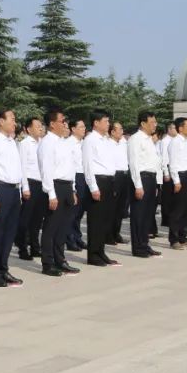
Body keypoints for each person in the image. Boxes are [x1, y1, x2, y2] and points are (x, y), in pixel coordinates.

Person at [0, 108, 24, 287]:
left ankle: (4, 268)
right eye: (12, 119)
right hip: (0, 190)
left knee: (9, 233)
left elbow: (17, 169)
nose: (14, 122)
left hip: (14, 191)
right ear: (1, 121)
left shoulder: (12, 142)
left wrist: (20, 191)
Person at [38, 109, 79, 276]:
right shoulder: (47, 142)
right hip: (54, 186)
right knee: (51, 227)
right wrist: (51, 194)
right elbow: (46, 170)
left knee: (63, 227)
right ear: (52, 124)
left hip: (67, 186)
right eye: (62, 121)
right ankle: (47, 263)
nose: (65, 124)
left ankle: (60, 260)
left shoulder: (64, 142)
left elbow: (70, 167)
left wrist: (73, 189)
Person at [82, 110, 119, 265]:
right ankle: (93, 255)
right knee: (96, 220)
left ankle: (101, 251)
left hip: (109, 181)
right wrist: (93, 187)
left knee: (105, 220)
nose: (108, 124)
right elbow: (88, 165)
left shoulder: (106, 140)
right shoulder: (90, 140)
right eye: (105, 121)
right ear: (96, 123)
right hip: (98, 182)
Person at [127, 110, 162, 258]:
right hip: (141, 178)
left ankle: (145, 244)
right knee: (139, 215)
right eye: (152, 122)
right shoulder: (135, 139)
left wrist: (157, 183)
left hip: (151, 178)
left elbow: (154, 162)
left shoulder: (149, 140)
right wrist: (138, 185)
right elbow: (134, 163)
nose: (155, 125)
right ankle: (138, 247)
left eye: (155, 122)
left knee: (148, 214)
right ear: (143, 123)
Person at [15, 117, 45, 261]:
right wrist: (25, 187)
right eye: (37, 125)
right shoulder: (24, 144)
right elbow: (22, 167)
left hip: (42, 184)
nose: (40, 128)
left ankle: (35, 247)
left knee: (37, 219)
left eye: (41, 125)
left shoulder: (43, 143)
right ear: (28, 129)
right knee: (25, 219)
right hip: (30, 184)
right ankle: (22, 248)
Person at [166, 117, 187, 250]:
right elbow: (172, 163)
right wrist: (176, 181)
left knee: (185, 209)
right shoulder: (175, 142)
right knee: (177, 210)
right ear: (180, 128)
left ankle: (183, 237)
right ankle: (174, 239)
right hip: (179, 176)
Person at [65, 118, 88, 251]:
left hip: (84, 176)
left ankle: (77, 237)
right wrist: (72, 186)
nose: (84, 129)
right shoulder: (69, 143)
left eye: (84, 127)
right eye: (81, 127)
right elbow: (70, 166)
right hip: (75, 177)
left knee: (80, 211)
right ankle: (70, 239)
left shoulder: (84, 143)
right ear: (73, 129)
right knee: (72, 211)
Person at [109, 121, 130, 245]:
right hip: (114, 176)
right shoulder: (108, 144)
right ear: (112, 132)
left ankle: (116, 233)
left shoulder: (123, 142)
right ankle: (109, 235)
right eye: (120, 129)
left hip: (124, 175)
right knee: (112, 207)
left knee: (121, 208)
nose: (122, 131)